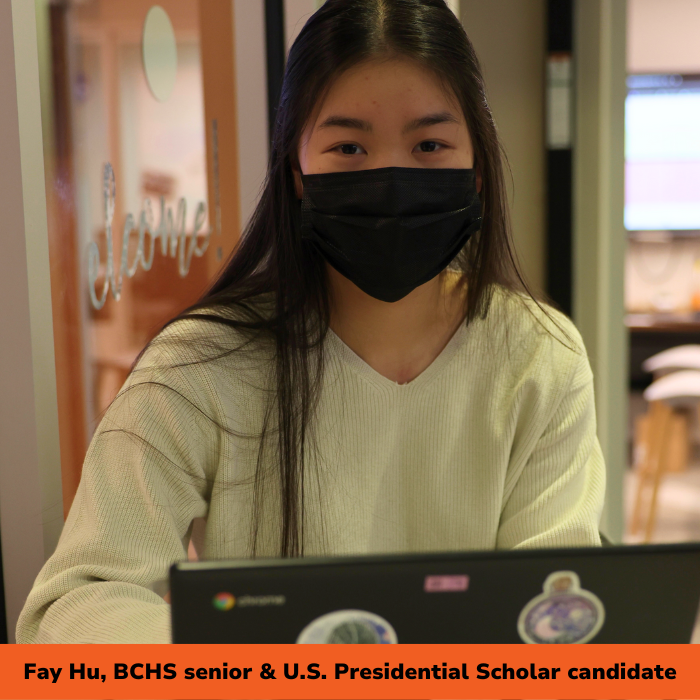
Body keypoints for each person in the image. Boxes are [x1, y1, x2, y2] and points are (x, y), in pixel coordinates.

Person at [17, 0, 605, 644]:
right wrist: (263, 663)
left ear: (479, 168)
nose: (390, 179)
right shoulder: (200, 364)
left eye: (430, 145)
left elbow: (556, 610)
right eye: (348, 146)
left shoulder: (540, 357)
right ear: (296, 172)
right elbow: (70, 608)